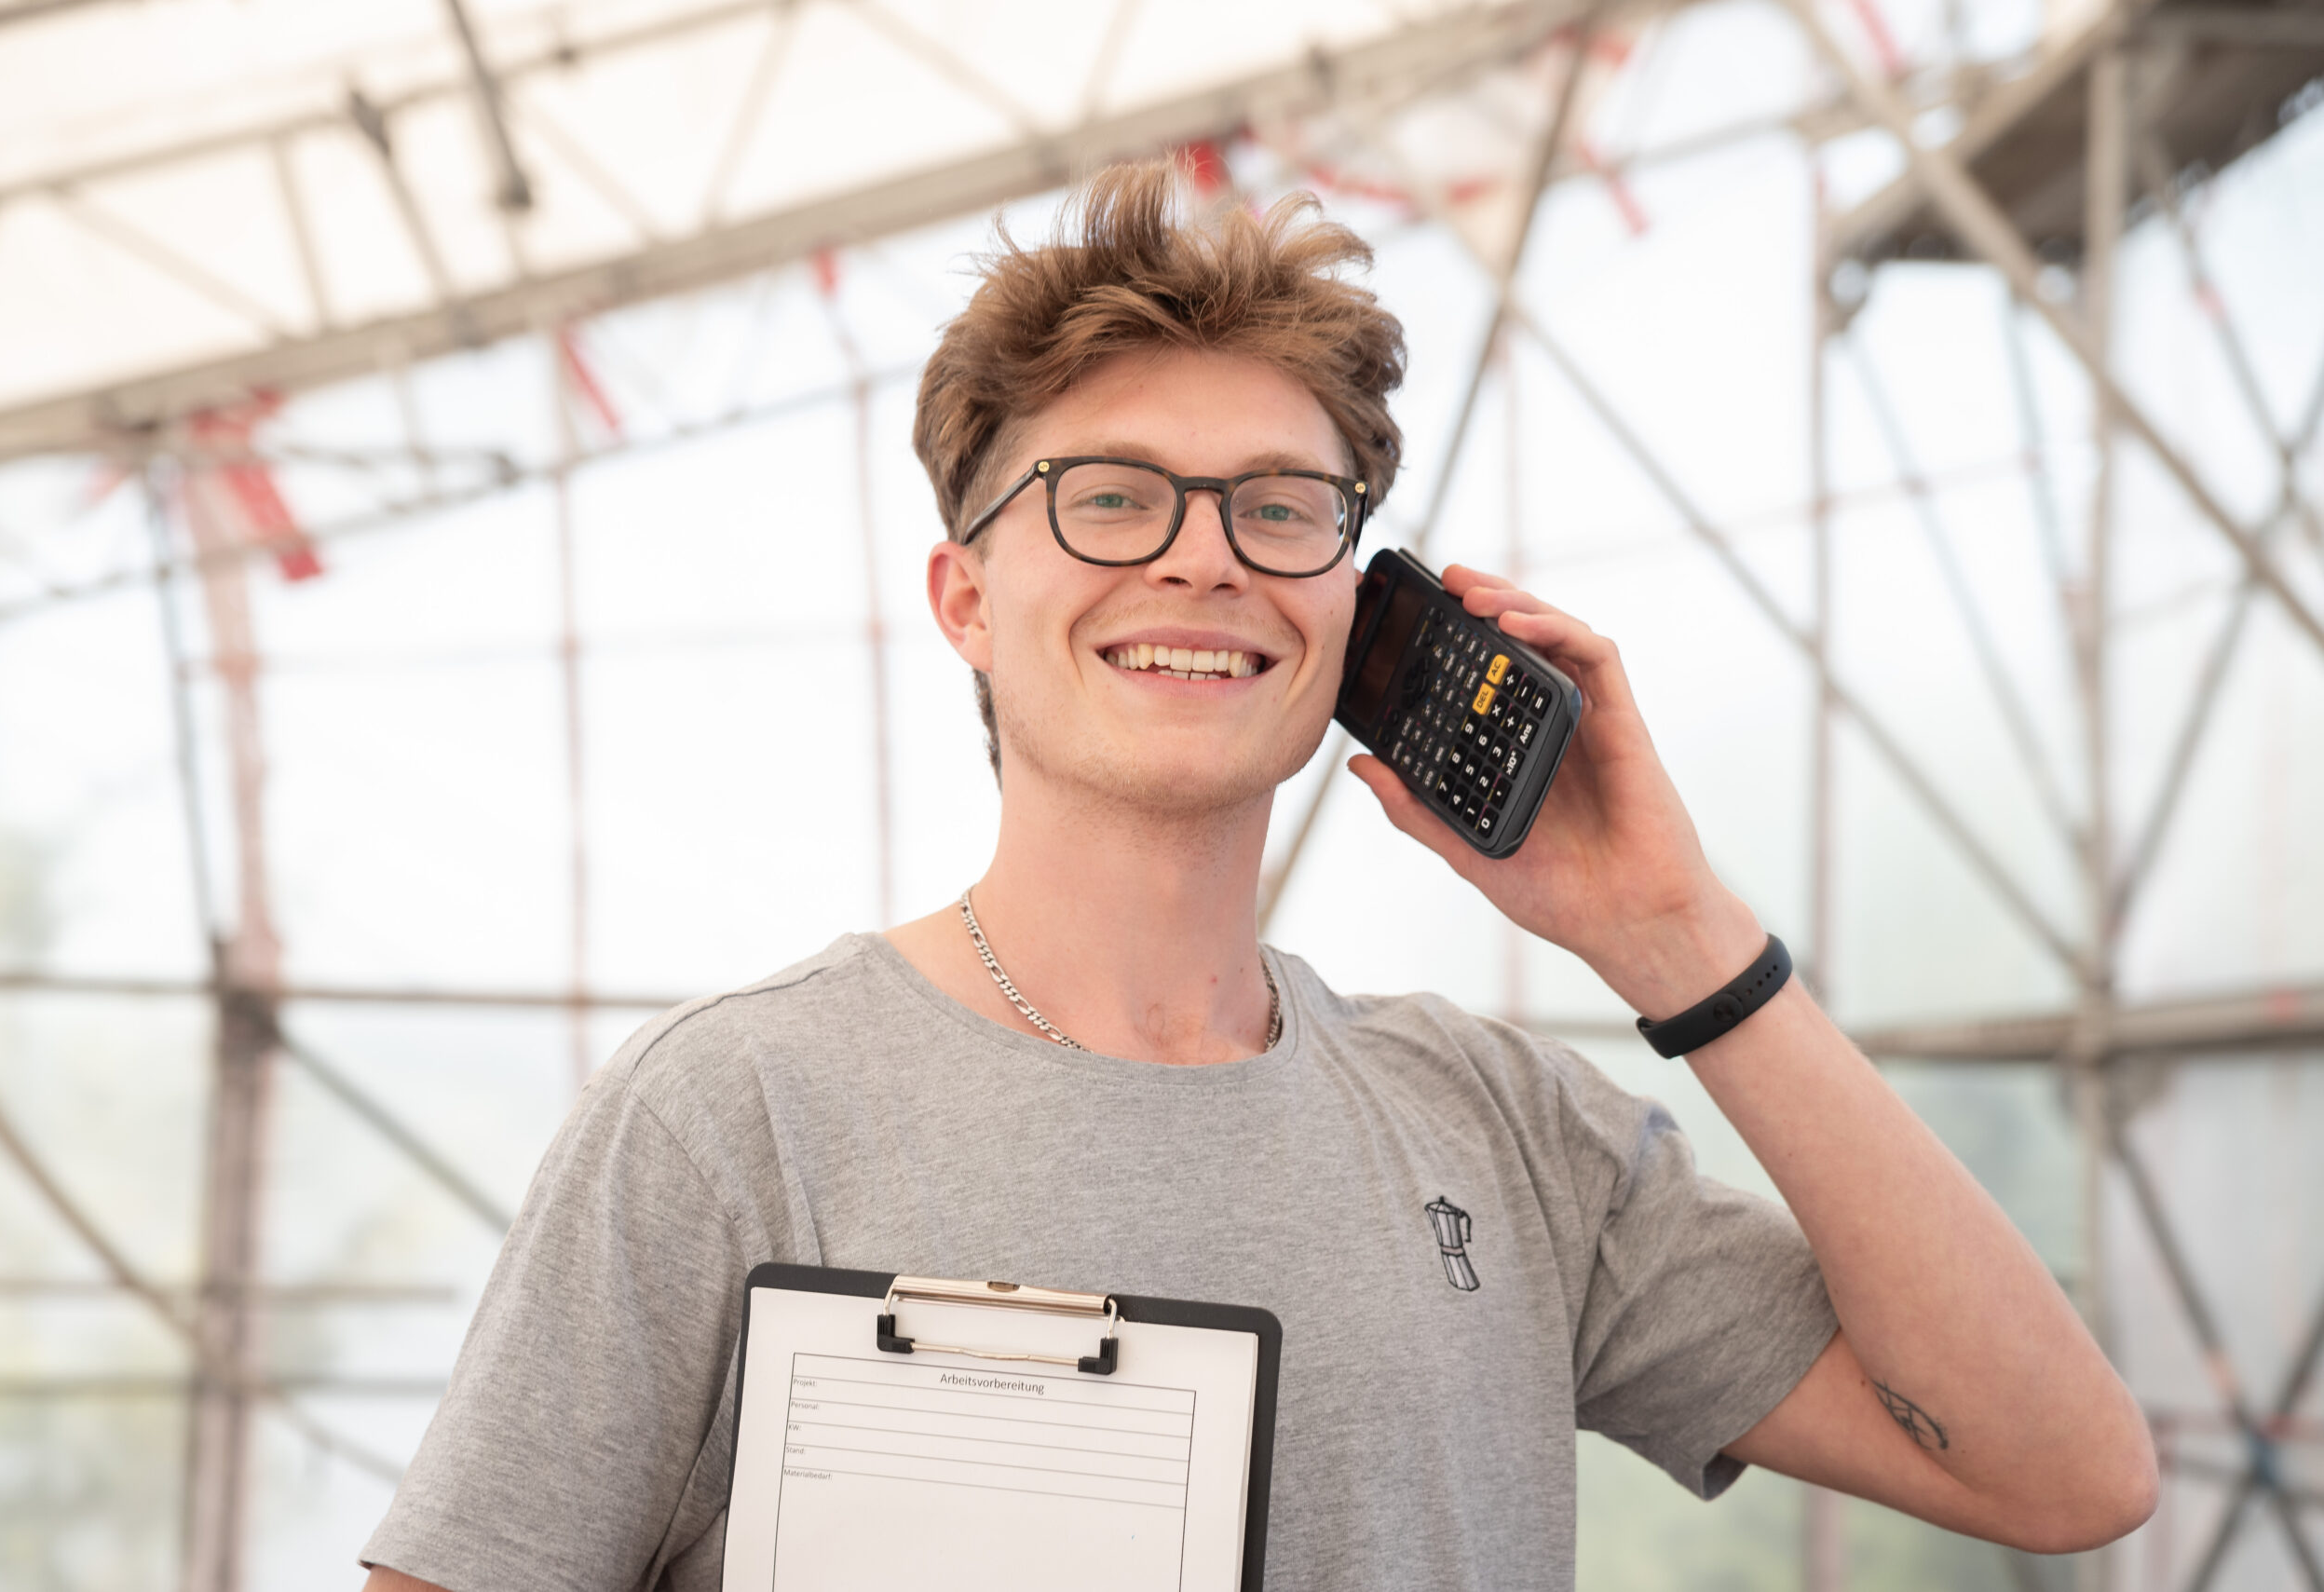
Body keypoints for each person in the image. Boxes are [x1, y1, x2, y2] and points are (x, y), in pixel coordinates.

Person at [360, 161, 2155, 1592]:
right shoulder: (733, 1116)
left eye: (1279, 508)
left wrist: (1673, 935)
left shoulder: (1504, 1132)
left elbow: (2059, 1468)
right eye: (1112, 497)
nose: (1204, 560)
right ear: (968, 599)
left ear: (1354, 606)